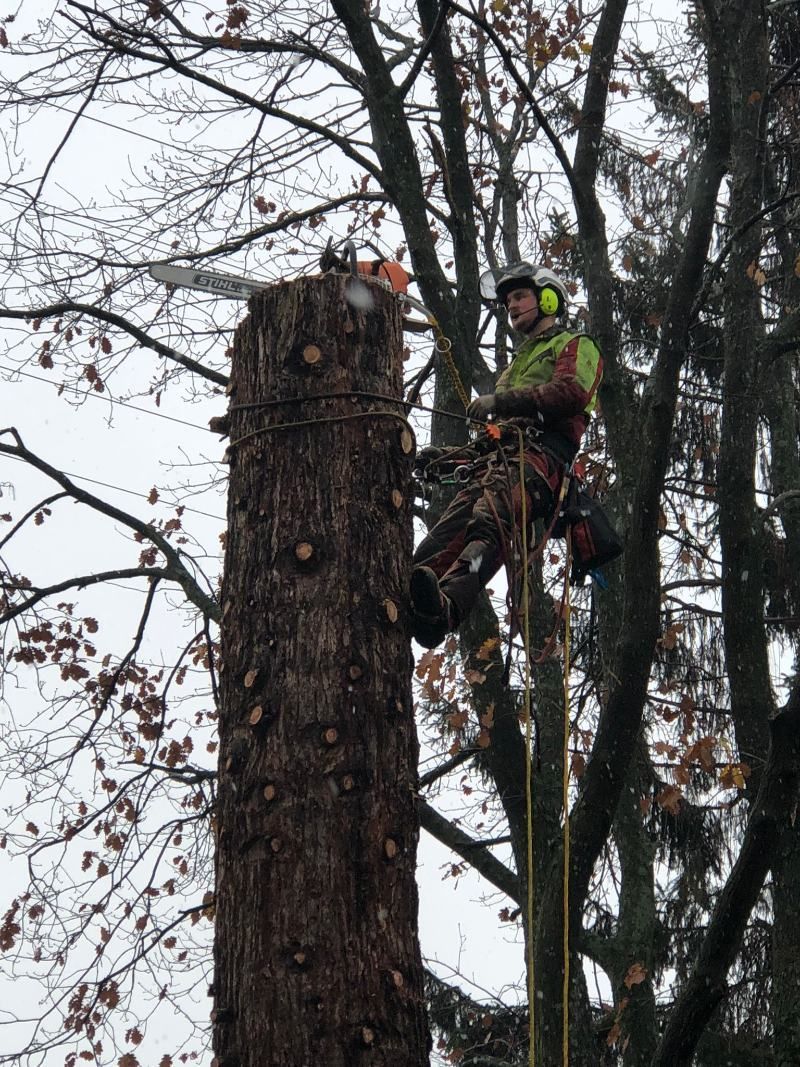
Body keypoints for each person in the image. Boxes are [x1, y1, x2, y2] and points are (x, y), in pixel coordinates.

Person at [410, 262, 603, 648]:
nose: (511, 306)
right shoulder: (517, 365)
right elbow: (494, 437)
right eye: (508, 300)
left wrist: (501, 400)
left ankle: (447, 605)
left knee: (490, 521)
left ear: (548, 300)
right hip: (499, 460)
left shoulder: (575, 345)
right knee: (436, 543)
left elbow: (570, 393)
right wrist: (446, 459)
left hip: (540, 459)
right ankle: (416, 605)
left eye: (519, 296)